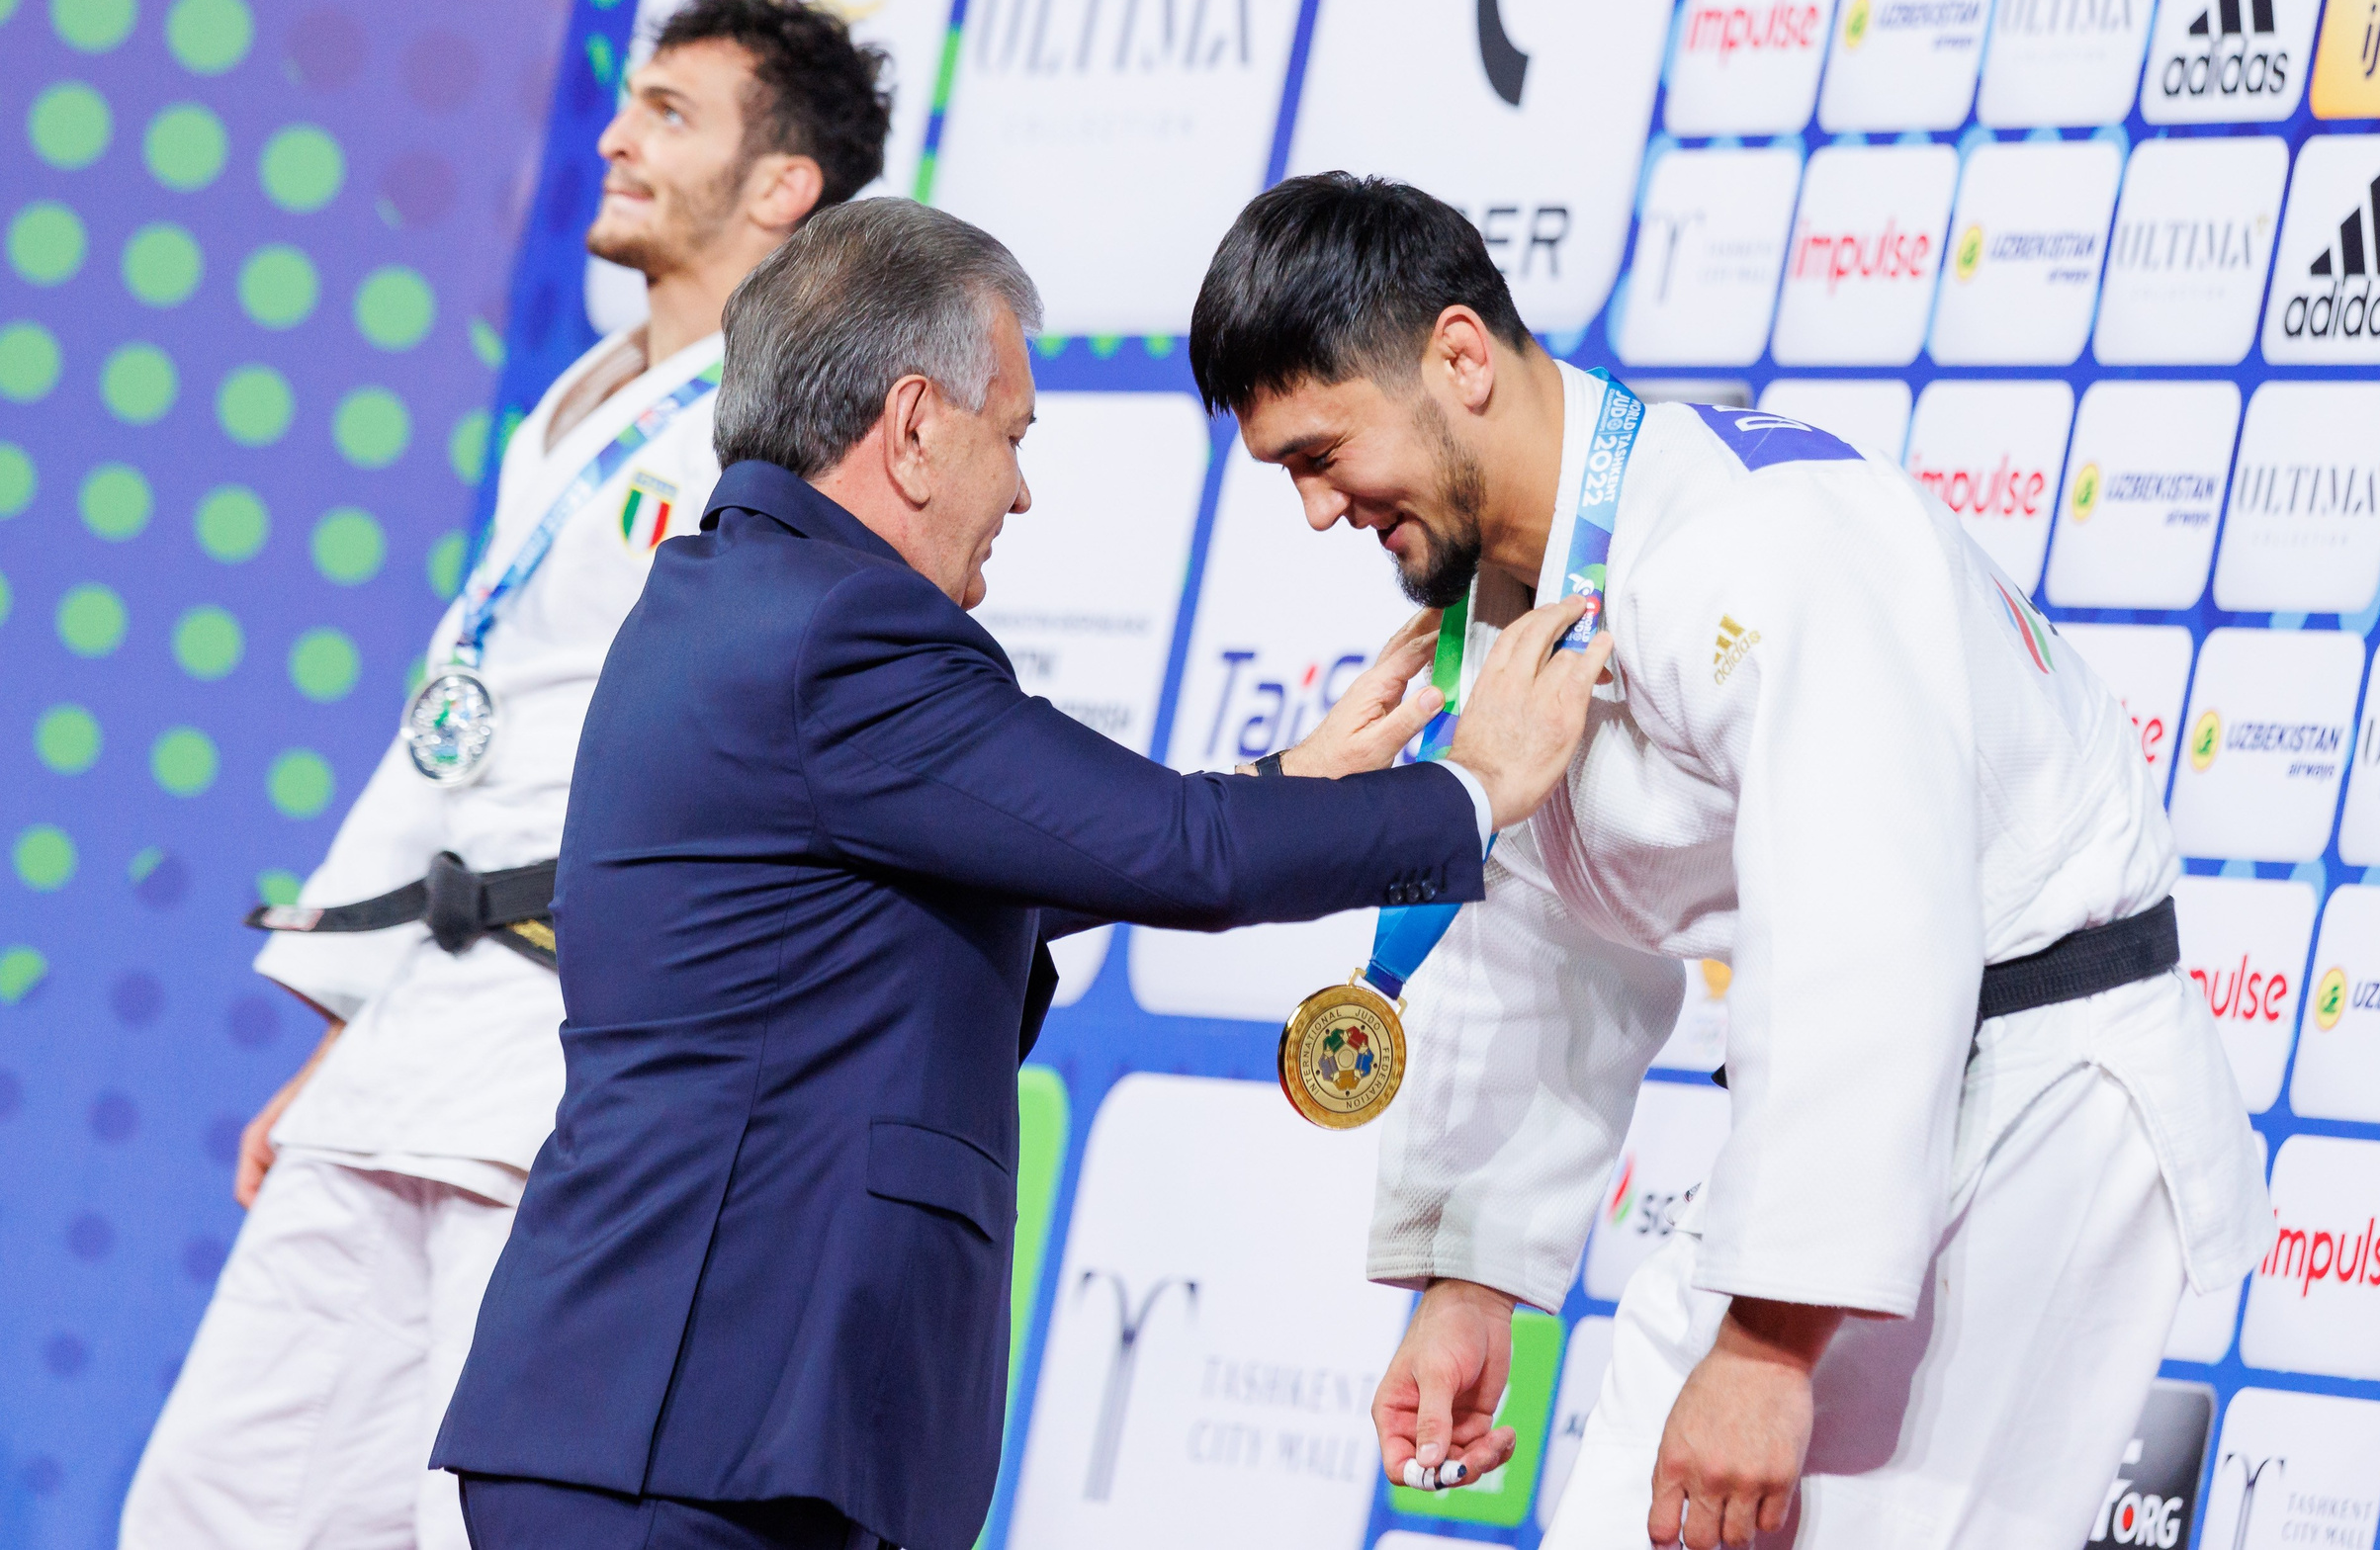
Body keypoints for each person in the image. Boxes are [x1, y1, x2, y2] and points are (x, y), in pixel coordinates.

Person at [429, 197, 1610, 1550]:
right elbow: (1182, 851)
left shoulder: (735, 602)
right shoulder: (842, 632)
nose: (1024, 489)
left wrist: (1294, 787)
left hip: (680, 1417)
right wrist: (1472, 792)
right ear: (918, 425)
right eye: (1015, 439)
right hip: (692, 1431)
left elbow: (958, 885)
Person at [1187, 173, 2269, 1550]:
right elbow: (1537, 934)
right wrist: (1468, 1283)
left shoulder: (1756, 545)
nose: (1318, 513)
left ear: (1459, 358)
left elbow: (1871, 942)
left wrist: (1764, 1352)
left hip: (2035, 1103)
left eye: (1320, 455)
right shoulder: (1522, 594)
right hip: (1863, 1144)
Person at [119, 0, 891, 1550]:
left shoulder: (810, 428)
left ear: (781, 187)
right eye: (626, 102)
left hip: (589, 1049)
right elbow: (462, 724)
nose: (613, 134)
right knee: (217, 1506)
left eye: (670, 113)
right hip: (423, 1038)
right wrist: (353, 1021)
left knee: (485, 1522)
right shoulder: (580, 401)